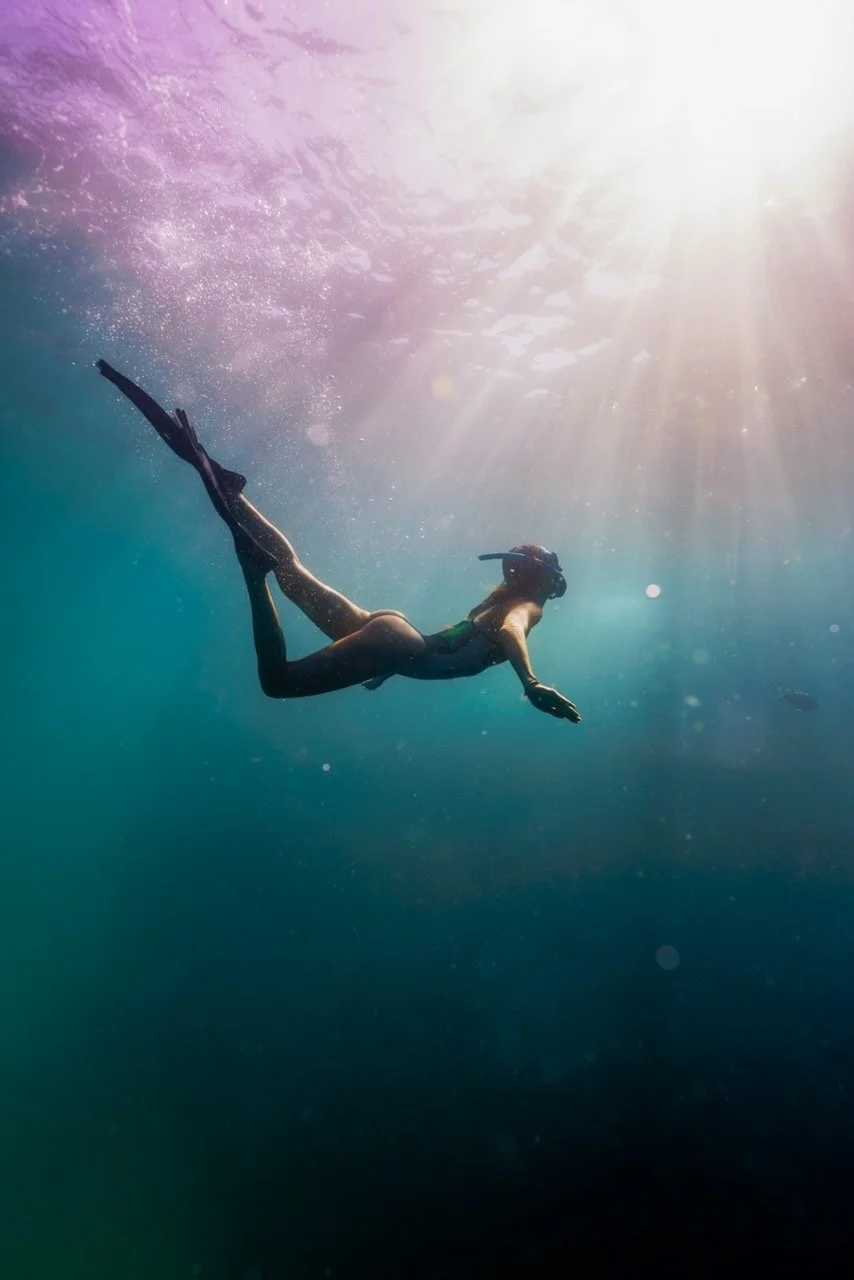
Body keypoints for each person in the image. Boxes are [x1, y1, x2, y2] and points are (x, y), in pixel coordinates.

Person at [97, 360, 581, 723]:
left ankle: (232, 492)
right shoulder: (525, 605)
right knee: (278, 682)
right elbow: (513, 630)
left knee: (290, 568)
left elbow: (457, 641)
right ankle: (251, 574)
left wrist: (386, 666)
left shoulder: (495, 602)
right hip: (400, 646)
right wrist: (531, 682)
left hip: (395, 634)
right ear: (545, 583)